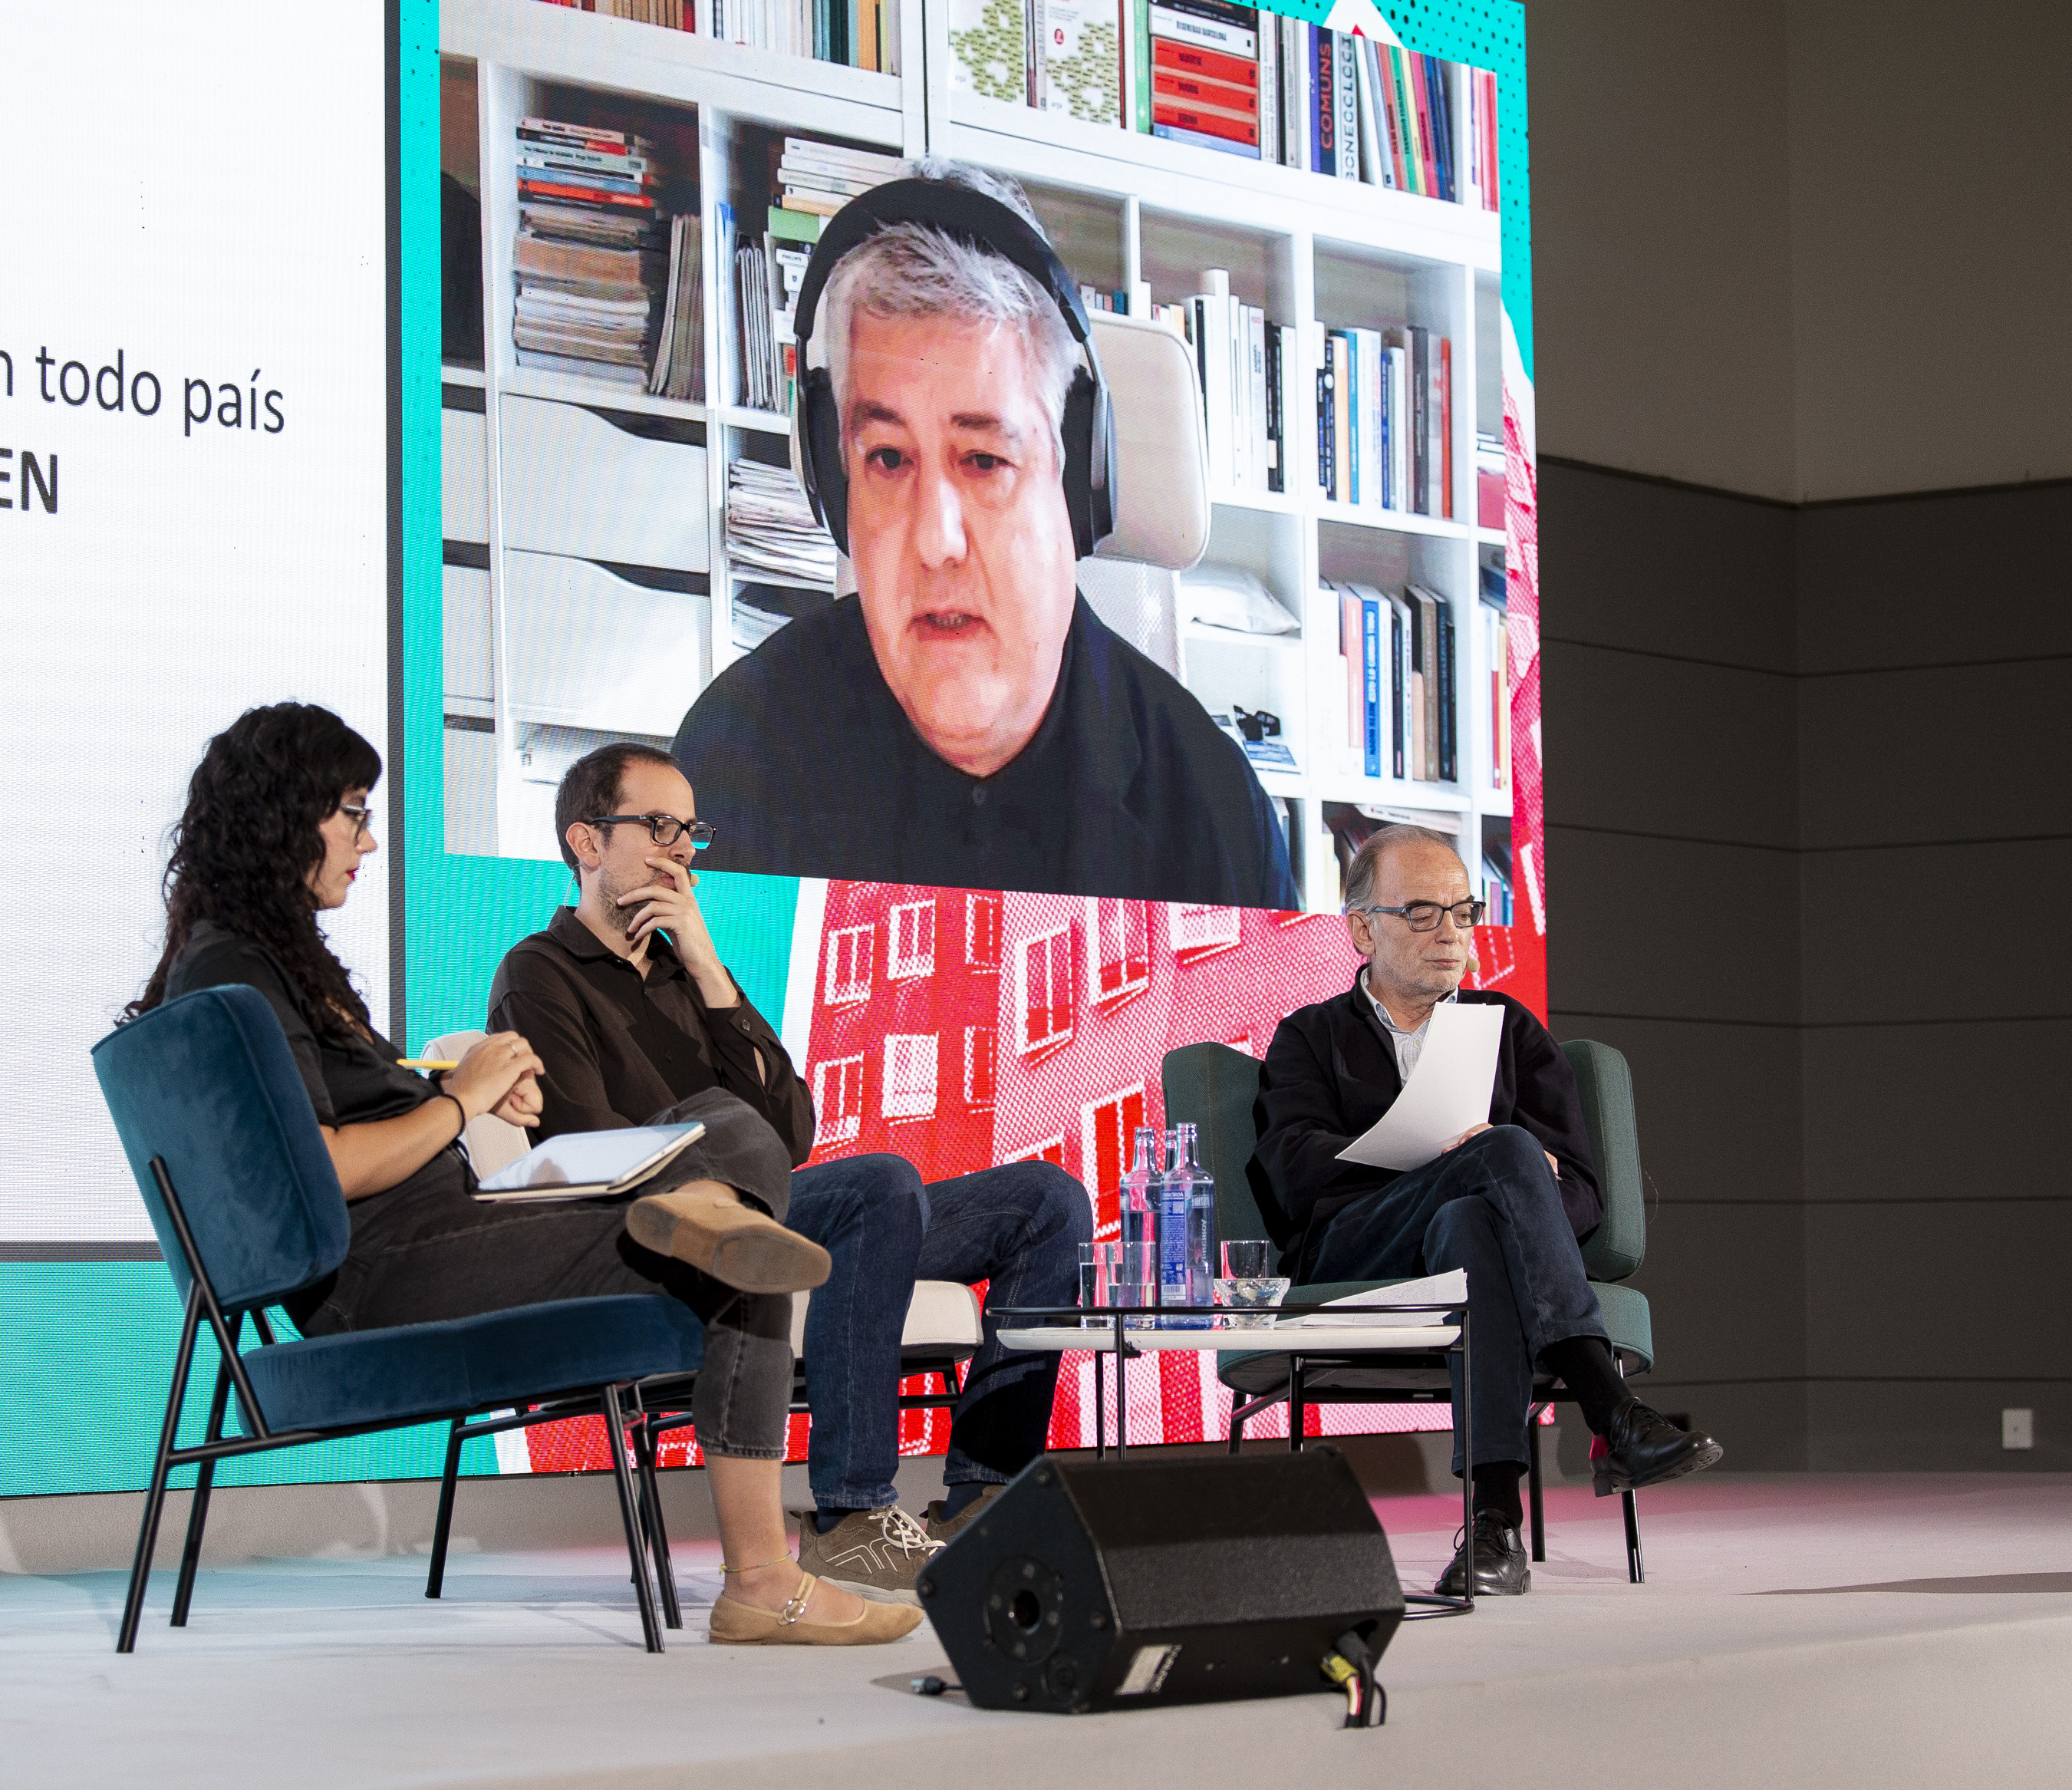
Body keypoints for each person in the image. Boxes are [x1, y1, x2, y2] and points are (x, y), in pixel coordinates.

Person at [129, 702, 917, 1646]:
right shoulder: (237, 971)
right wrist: (456, 1101)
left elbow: (794, 1128)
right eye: (350, 810)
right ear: (278, 815)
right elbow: (324, 1167)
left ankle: (712, 1222)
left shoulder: (252, 964)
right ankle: (760, 1574)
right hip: (380, 1270)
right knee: (736, 1235)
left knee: (737, 1154)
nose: (369, 839)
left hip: (421, 1239)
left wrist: (453, 1097)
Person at [488, 740, 1091, 1605]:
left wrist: (704, 967)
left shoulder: (691, 970)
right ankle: (850, 1514)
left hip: (776, 1212)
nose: (681, 847)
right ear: (586, 841)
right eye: (657, 825)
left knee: (1046, 1199)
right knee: (878, 1184)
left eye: (689, 828)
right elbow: (588, 1145)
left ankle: (984, 1496)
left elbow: (793, 1129)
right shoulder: (537, 973)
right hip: (664, 1231)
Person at [672, 161, 1299, 911]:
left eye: (982, 459)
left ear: (1073, 480)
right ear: (836, 488)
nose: (935, 539)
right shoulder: (727, 765)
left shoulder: (1215, 817)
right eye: (888, 458)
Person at [1251, 824, 1721, 1597]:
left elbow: (1581, 1195)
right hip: (1357, 1246)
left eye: (1463, 913)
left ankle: (1492, 1527)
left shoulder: (1507, 1030)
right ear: (1361, 926)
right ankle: (1614, 1413)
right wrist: (1457, 1159)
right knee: (1498, 1154)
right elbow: (1298, 1174)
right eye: (1422, 913)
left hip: (1471, 1252)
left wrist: (1515, 1180)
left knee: (1474, 1221)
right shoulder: (1309, 1035)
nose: (1450, 934)